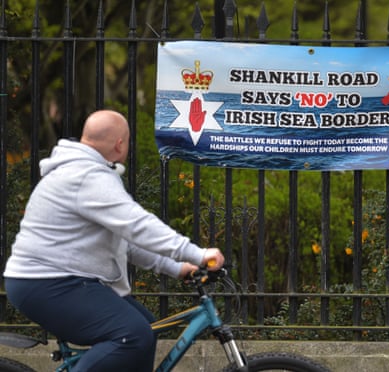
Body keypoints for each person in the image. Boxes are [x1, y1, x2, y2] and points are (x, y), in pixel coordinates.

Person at [3, 110, 225, 372]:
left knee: (147, 326)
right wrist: (198, 254)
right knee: (132, 335)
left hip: (58, 280)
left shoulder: (86, 172)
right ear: (121, 144)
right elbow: (139, 225)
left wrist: (178, 267)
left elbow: (126, 240)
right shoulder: (87, 176)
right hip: (46, 282)